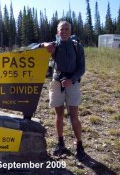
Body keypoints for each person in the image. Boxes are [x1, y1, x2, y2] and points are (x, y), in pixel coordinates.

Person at [40, 21, 86, 160]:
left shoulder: (77, 46)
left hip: (72, 83)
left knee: (74, 116)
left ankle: (79, 145)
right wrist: (43, 45)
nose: (64, 31)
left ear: (70, 31)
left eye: (67, 29)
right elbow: (32, 47)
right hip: (56, 82)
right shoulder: (53, 46)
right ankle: (60, 143)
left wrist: (71, 80)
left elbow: (81, 68)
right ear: (57, 31)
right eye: (62, 29)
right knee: (58, 115)